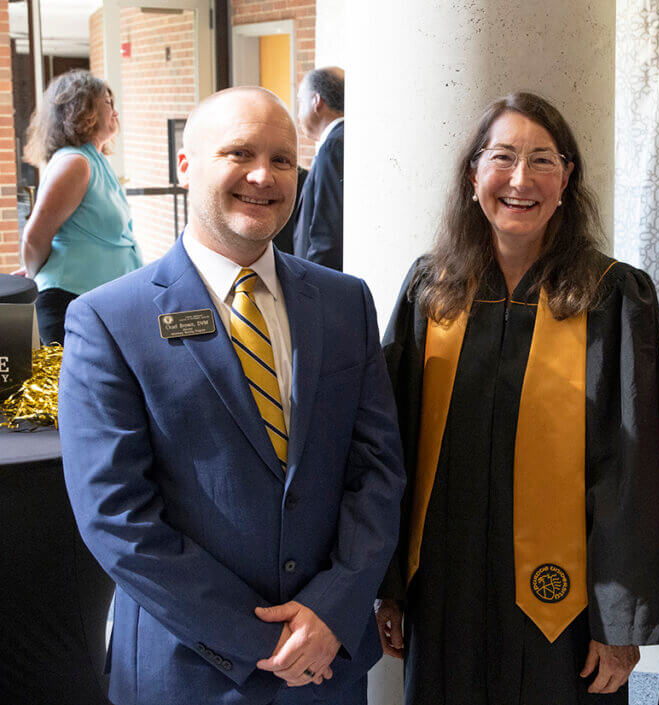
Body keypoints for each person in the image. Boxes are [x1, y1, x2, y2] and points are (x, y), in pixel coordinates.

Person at [58, 87, 405, 705]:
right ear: (186, 165)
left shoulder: (345, 302)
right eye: (239, 153)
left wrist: (329, 612)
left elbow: (378, 471)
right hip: (190, 667)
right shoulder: (108, 320)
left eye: (281, 158)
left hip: (327, 667)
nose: (262, 176)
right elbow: (117, 516)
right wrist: (260, 641)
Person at [376, 91, 659, 705]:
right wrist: (390, 587)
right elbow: (390, 446)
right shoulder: (430, 290)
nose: (521, 179)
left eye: (543, 160)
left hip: (561, 609)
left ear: (568, 179)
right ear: (473, 174)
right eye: (503, 157)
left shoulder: (613, 297)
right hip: (443, 590)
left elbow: (632, 470)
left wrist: (617, 621)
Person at [20, 69, 143, 345]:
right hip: (68, 303)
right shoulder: (75, 163)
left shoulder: (96, 161)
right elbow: (35, 236)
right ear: (82, 111)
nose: (116, 111)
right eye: (108, 103)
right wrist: (32, 275)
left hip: (98, 302)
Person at [293, 67, 345, 270]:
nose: (297, 114)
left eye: (300, 101)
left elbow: (327, 230)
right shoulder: (340, 140)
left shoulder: (334, 146)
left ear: (316, 101)